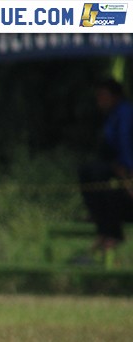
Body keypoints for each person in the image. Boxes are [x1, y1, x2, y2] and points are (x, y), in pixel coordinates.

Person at [78, 78, 133, 258]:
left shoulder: (125, 113)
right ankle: (101, 224)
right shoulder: (111, 115)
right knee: (90, 173)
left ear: (115, 96)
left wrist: (126, 172)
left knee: (102, 181)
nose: (99, 101)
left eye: (103, 96)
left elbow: (125, 144)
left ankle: (111, 233)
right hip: (116, 171)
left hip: (126, 173)